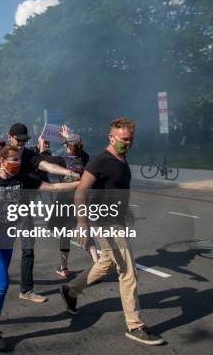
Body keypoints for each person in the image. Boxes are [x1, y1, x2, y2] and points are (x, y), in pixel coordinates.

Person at [0, 145, 80, 351]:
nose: (18, 163)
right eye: (14, 160)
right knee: (2, 281)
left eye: (19, 160)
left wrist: (81, 183)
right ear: (2, 161)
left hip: (6, 239)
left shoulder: (22, 180)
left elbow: (53, 188)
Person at [60, 117, 165, 346]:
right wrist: (82, 223)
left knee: (106, 263)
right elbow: (80, 192)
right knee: (128, 271)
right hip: (104, 223)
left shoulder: (122, 158)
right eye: (123, 139)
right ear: (111, 137)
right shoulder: (100, 161)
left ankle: (71, 289)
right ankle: (135, 325)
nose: (127, 143)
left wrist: (126, 211)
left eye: (130, 139)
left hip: (116, 219)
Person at [52, 132, 97, 279]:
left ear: (68, 147)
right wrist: (69, 138)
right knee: (86, 233)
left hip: (65, 200)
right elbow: (79, 149)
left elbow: (44, 159)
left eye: (66, 145)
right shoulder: (85, 158)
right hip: (82, 199)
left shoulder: (60, 160)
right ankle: (97, 265)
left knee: (65, 234)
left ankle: (64, 268)